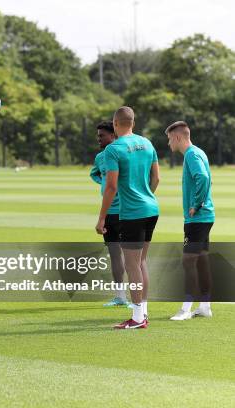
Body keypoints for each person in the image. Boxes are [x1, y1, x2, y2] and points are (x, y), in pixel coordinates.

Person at [95, 106, 160, 329]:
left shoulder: (114, 149)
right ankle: (143, 311)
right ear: (133, 122)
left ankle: (137, 318)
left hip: (132, 212)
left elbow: (111, 186)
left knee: (132, 265)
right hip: (152, 209)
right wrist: (145, 195)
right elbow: (157, 178)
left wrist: (102, 218)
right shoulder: (148, 143)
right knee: (141, 262)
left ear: (115, 123)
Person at [165, 121, 215, 321]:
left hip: (198, 218)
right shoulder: (198, 152)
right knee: (201, 260)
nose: (169, 143)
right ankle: (205, 306)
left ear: (177, 137)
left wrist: (196, 203)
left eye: (169, 139)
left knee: (188, 261)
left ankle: (185, 309)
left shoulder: (192, 155)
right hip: (204, 218)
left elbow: (202, 177)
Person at [90, 121, 128, 307]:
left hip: (126, 211)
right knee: (114, 254)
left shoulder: (123, 153)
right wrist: (105, 183)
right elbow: (95, 174)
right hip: (110, 212)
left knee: (131, 255)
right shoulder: (100, 158)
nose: (98, 138)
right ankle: (120, 296)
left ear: (113, 135)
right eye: (98, 135)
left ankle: (137, 300)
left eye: (102, 135)